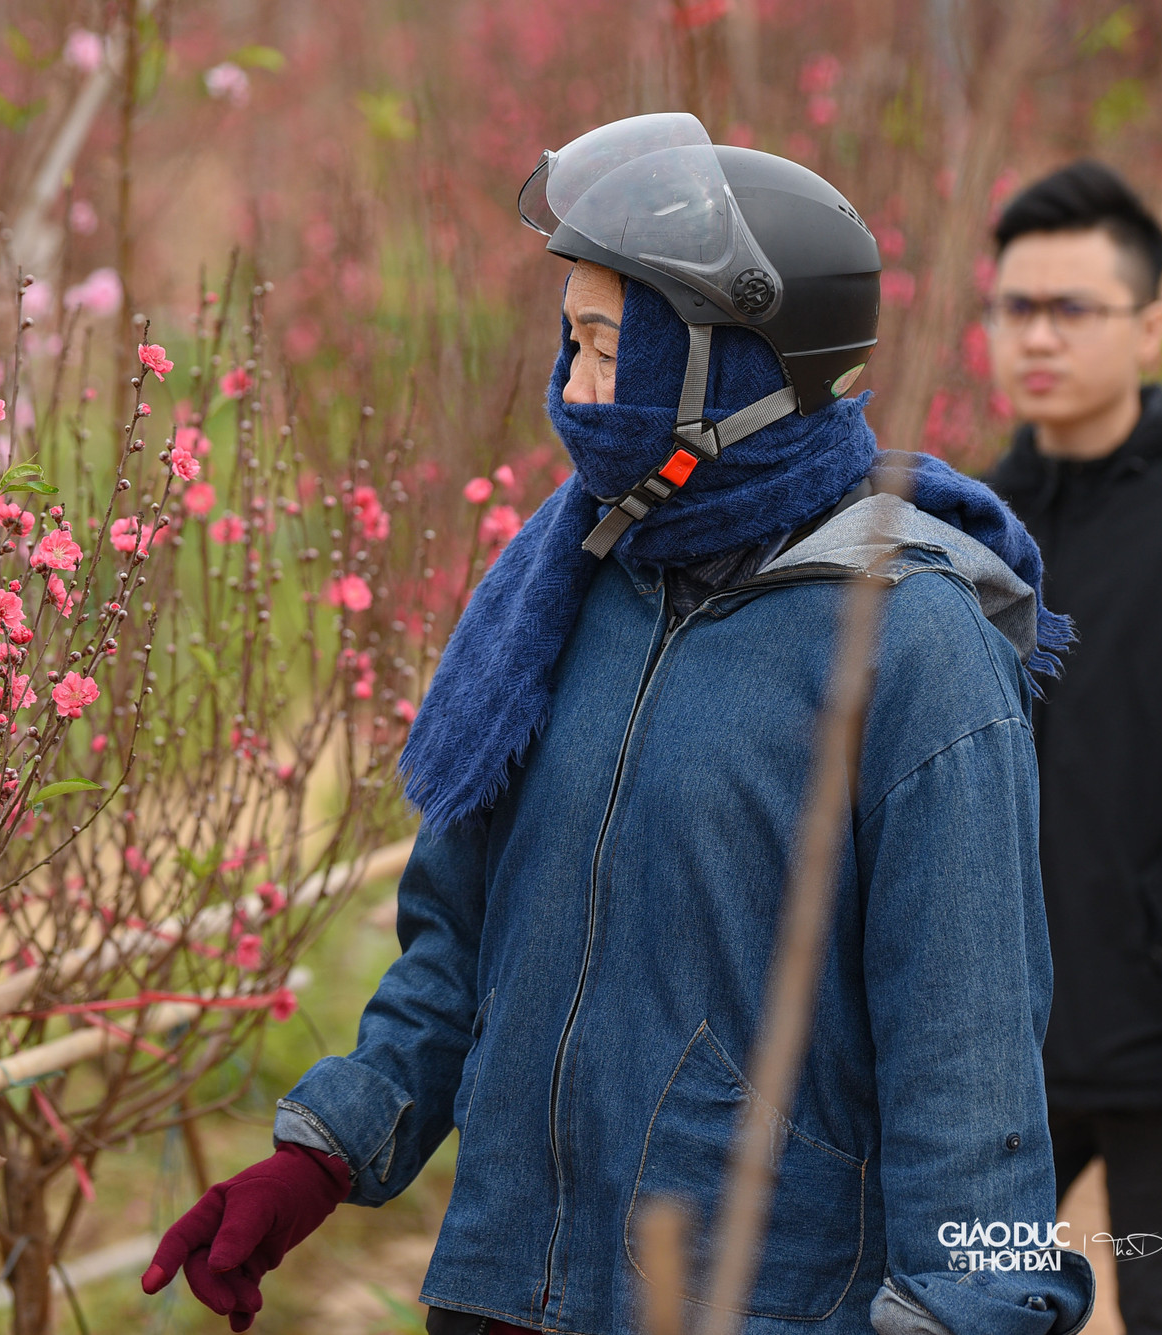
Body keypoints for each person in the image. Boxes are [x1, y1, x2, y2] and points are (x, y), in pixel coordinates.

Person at [142, 113, 1095, 1335]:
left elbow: (969, 1072)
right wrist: (322, 1156)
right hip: (500, 1287)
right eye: (571, 341)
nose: (570, 388)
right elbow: (464, 941)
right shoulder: (562, 584)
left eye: (604, 346)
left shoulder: (905, 640)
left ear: (727, 368)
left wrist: (964, 1310)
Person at [984, 159, 1162, 1335]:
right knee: (951, 1303)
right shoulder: (963, 529)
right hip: (996, 1045)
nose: (1036, 336)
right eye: (1014, 306)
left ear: (1149, 325)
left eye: (1071, 308)